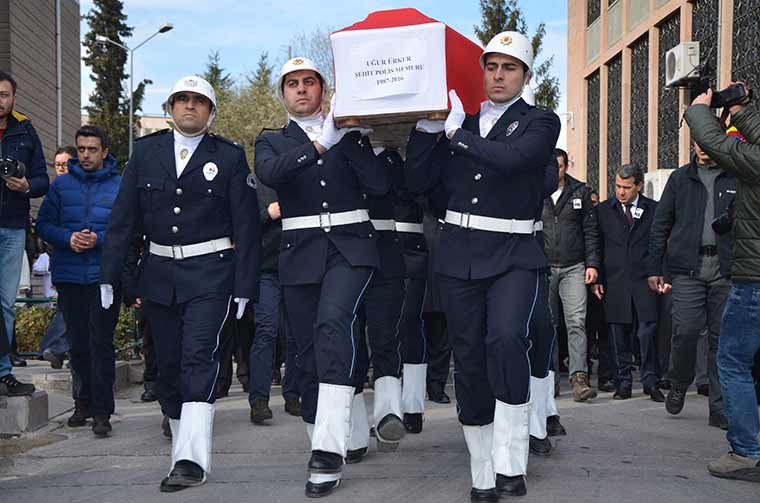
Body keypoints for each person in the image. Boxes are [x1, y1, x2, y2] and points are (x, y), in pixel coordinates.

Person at [405, 31, 560, 501]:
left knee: (508, 339)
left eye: (509, 68)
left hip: (514, 254)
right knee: (468, 357)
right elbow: (417, 182)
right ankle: (483, 468)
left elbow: (512, 160)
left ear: (525, 76)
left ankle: (512, 461)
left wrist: (456, 135)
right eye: (491, 66)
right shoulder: (459, 121)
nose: (498, 75)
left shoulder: (539, 122)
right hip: (459, 254)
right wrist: (426, 134)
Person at [100, 75, 261, 492]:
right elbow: (123, 219)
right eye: (183, 100)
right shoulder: (146, 153)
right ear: (170, 107)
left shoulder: (228, 156)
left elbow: (246, 226)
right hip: (159, 276)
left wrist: (244, 285)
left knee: (199, 357)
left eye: (200, 101)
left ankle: (191, 459)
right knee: (168, 368)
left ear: (210, 111)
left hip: (211, 272)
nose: (190, 106)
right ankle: (181, 445)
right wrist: (110, 275)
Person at [255, 57, 387, 497]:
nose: (300, 90)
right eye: (291, 84)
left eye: (308, 82)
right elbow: (270, 175)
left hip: (351, 248)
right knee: (307, 350)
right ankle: (323, 444)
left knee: (334, 322)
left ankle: (328, 451)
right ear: (283, 94)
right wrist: (318, 145)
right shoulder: (272, 140)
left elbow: (381, 187)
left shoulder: (349, 133)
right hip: (301, 255)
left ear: (323, 89)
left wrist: (360, 139)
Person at [685, 85, 760, 481]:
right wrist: (741, 107)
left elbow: (719, 146)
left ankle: (746, 453)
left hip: (754, 280)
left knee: (732, 361)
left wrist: (698, 111)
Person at [36, 126, 122, 435]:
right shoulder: (61, 187)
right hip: (70, 276)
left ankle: (102, 413)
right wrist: (68, 238)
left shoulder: (119, 186)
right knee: (78, 345)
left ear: (104, 152)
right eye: (81, 148)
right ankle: (82, 403)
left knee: (101, 344)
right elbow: (43, 225)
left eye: (92, 149)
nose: (86, 154)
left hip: (104, 279)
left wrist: (97, 239)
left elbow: (127, 230)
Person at [649, 140, 735, 428]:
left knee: (720, 340)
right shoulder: (680, 177)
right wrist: (654, 267)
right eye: (697, 143)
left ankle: (719, 407)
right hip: (687, 268)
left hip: (725, 269)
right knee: (684, 331)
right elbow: (661, 223)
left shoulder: (734, 175)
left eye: (708, 142)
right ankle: (679, 382)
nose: (702, 148)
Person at [593, 165, 663, 402]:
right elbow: (596, 245)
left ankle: (651, 382)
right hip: (615, 281)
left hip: (645, 280)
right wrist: (598, 277)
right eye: (617, 187)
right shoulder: (603, 210)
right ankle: (622, 383)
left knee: (647, 334)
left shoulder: (654, 209)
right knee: (618, 335)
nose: (621, 192)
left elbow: (659, 242)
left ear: (639, 186)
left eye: (626, 187)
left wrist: (659, 273)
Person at [0, 70, 49, 396]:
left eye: (4, 94)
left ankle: (3, 372)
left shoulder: (26, 131)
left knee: (5, 303)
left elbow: (43, 180)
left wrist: (27, 185)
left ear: (13, 97)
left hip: (11, 226)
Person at [542, 148, 600, 402]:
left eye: (561, 167)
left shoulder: (581, 191)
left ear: (568, 166)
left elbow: (590, 231)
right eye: (552, 167)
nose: (557, 171)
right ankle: (548, 379)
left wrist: (593, 264)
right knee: (548, 324)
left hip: (574, 266)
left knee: (576, 322)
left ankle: (579, 379)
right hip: (543, 266)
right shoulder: (535, 190)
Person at [248, 176, 301, 422]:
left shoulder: (301, 178)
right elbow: (243, 225)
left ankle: (293, 395)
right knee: (266, 330)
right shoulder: (256, 185)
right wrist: (266, 214)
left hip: (296, 267)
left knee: (295, 335)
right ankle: (259, 400)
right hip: (266, 270)